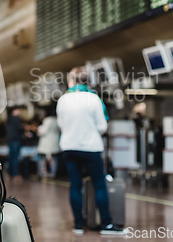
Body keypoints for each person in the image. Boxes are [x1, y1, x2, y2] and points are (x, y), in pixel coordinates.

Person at [56, 67, 125, 236]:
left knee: (75, 185)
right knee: (99, 184)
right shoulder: (94, 99)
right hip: (91, 148)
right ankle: (106, 225)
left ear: (72, 80)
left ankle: (78, 225)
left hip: (69, 147)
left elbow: (61, 125)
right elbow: (102, 126)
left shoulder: (63, 100)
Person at [37, 106, 60, 179]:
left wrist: (38, 130)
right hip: (54, 142)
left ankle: (41, 173)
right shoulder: (57, 120)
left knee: (43, 158)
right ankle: (53, 173)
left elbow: (43, 131)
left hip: (46, 143)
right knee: (54, 159)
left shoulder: (47, 120)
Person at [6, 107, 24, 179]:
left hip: (10, 139)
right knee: (15, 157)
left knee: (10, 157)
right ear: (14, 111)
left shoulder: (9, 119)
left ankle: (9, 173)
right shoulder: (16, 119)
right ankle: (15, 174)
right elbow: (19, 129)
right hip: (16, 139)